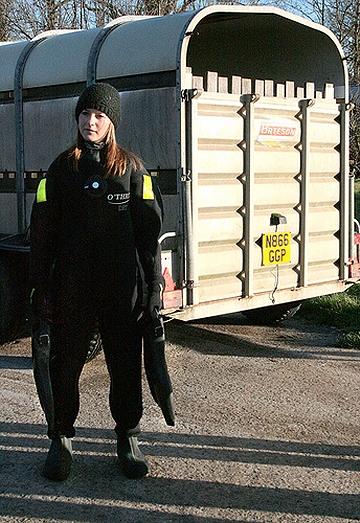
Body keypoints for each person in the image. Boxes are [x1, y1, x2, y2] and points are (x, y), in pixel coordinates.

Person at [29, 82, 164, 481]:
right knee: (65, 366)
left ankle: (128, 438)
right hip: (72, 292)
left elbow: (149, 239)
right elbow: (41, 234)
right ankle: (61, 439)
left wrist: (152, 291)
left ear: (112, 123)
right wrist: (39, 289)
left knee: (125, 368)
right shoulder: (59, 170)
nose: (91, 121)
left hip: (122, 293)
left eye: (100, 116)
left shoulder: (133, 171)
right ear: (77, 118)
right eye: (85, 114)